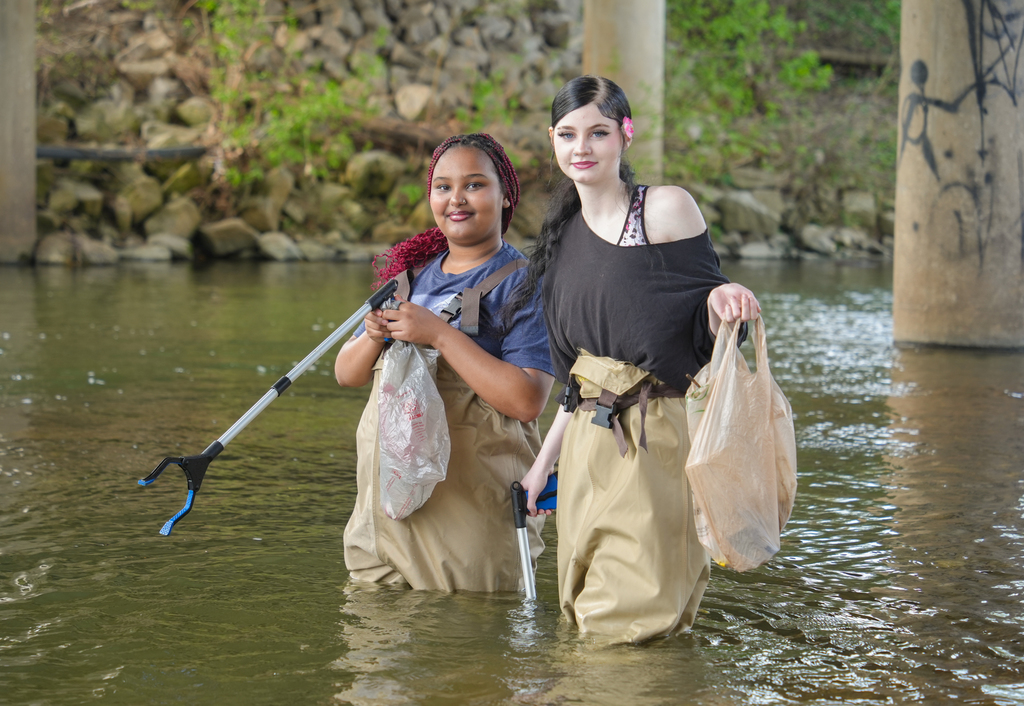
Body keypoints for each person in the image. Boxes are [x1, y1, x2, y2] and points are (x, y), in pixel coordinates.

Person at [514, 76, 762, 642]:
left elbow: (707, 319)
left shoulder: (665, 208)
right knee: (580, 616)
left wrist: (722, 300)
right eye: (568, 134)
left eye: (598, 133)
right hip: (586, 448)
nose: (582, 147)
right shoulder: (561, 237)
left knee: (629, 629)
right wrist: (541, 467)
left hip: (656, 440)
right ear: (552, 140)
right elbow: (575, 385)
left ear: (626, 135)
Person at [335, 133, 555, 592]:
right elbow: (346, 374)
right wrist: (372, 336)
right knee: (371, 632)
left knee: (465, 635)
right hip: (381, 521)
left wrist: (438, 334)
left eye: (474, 184)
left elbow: (527, 400)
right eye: (443, 186)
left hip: (469, 523)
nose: (456, 198)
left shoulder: (525, 284)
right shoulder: (407, 277)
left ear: (506, 195)